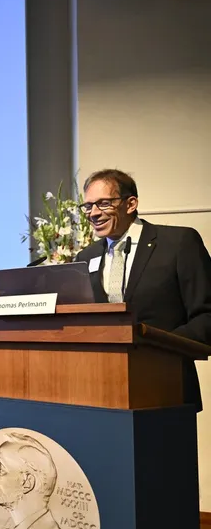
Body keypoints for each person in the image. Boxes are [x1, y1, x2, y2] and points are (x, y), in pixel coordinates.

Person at [74, 168, 211, 411]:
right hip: (100, 393)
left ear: (131, 203)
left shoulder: (178, 243)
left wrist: (157, 347)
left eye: (103, 204)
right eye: (88, 206)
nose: (93, 213)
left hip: (167, 387)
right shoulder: (86, 257)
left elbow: (206, 315)